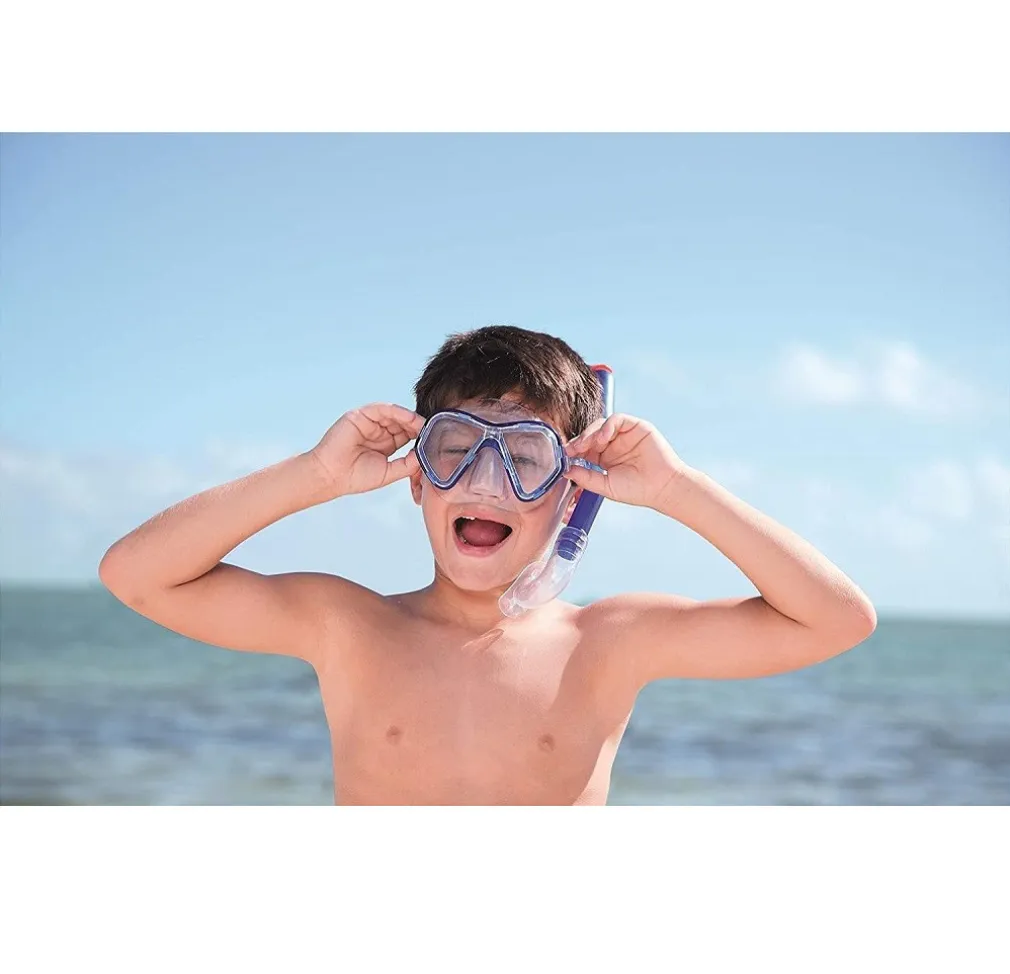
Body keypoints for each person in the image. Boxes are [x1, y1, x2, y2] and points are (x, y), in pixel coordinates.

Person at [99, 325, 877, 805]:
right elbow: (136, 575)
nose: (483, 482)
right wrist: (316, 473)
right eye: (455, 449)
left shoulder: (607, 641)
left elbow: (837, 621)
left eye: (526, 457)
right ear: (416, 478)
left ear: (572, 493)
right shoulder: (350, 627)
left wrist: (679, 489)